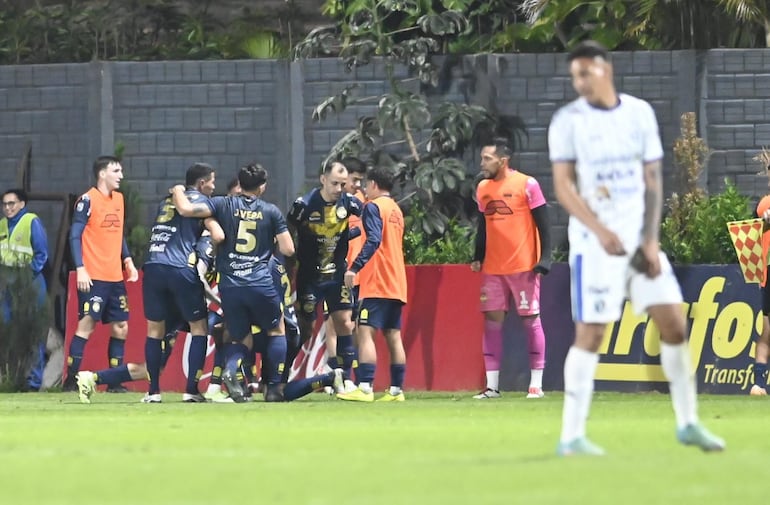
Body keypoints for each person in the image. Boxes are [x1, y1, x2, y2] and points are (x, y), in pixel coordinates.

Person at [548, 40, 725, 455]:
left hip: (638, 243)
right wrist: (600, 229)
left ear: (605, 70)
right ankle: (571, 436)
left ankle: (688, 423)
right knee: (590, 335)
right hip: (593, 246)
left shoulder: (639, 113)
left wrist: (649, 239)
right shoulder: (567, 121)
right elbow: (563, 187)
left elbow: (652, 181)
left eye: (585, 73)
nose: (580, 82)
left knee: (675, 324)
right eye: (574, 76)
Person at [76, 163, 222, 404]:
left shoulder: (166, 201)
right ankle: (195, 390)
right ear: (202, 183)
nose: (214, 187)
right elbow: (216, 235)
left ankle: (152, 392)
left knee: (155, 334)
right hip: (181, 271)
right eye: (212, 181)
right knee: (203, 328)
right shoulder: (203, 207)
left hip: (153, 267)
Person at [171, 163, 294, 403]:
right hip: (260, 282)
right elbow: (288, 249)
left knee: (240, 338)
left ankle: (231, 367)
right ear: (262, 187)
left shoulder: (221, 204)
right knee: (276, 328)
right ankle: (274, 389)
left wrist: (177, 190)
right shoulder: (271, 211)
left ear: (239, 183)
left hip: (230, 285)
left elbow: (185, 210)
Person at [470, 138, 552, 399]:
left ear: (502, 161)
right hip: (493, 269)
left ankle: (536, 384)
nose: (482, 164)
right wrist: (478, 255)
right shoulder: (483, 188)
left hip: (523, 267)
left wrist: (545, 257)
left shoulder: (527, 185)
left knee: (531, 320)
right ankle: (492, 387)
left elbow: (544, 223)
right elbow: (483, 225)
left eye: (487, 159)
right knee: (492, 322)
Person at [64, 156, 139, 392]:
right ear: (102, 174)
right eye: (116, 171)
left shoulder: (119, 199)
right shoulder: (87, 200)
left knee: (121, 327)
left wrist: (127, 260)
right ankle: (71, 380)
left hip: (115, 276)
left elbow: (118, 233)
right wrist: (80, 268)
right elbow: (74, 235)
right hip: (93, 275)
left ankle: (114, 381)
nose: (121, 176)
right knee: (87, 325)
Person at [287, 162, 363, 392]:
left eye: (343, 184)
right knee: (306, 328)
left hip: (337, 274)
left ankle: (346, 378)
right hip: (310, 276)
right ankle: (278, 374)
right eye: (334, 183)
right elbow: (286, 231)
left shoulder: (349, 203)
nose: (339, 188)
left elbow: (370, 220)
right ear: (323, 180)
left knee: (344, 322)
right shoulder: (305, 205)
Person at [338, 165, 407, 402]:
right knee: (393, 335)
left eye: (367, 185)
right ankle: (397, 390)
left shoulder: (372, 207)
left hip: (377, 279)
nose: (365, 189)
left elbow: (375, 240)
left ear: (374, 185)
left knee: (365, 331)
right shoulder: (396, 210)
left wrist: (354, 267)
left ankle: (365, 386)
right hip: (397, 281)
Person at [323, 157, 367, 391]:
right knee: (335, 323)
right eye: (354, 180)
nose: (357, 185)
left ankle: (356, 376)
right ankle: (336, 375)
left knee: (356, 326)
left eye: (360, 180)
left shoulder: (361, 202)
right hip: (335, 272)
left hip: (358, 273)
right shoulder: (329, 202)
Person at [0, 188, 49, 391]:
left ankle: (34, 381)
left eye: (12, 203)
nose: (8, 208)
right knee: (8, 330)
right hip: (7, 282)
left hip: (30, 281)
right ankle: (12, 378)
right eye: (4, 204)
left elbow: (41, 254)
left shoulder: (31, 221)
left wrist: (27, 278)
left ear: (22, 204)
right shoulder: (2, 225)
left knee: (33, 331)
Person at [751, 160, 770, 395]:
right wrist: (764, 224)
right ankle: (758, 384)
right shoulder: (764, 205)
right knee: (767, 332)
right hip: (769, 274)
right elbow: (749, 236)